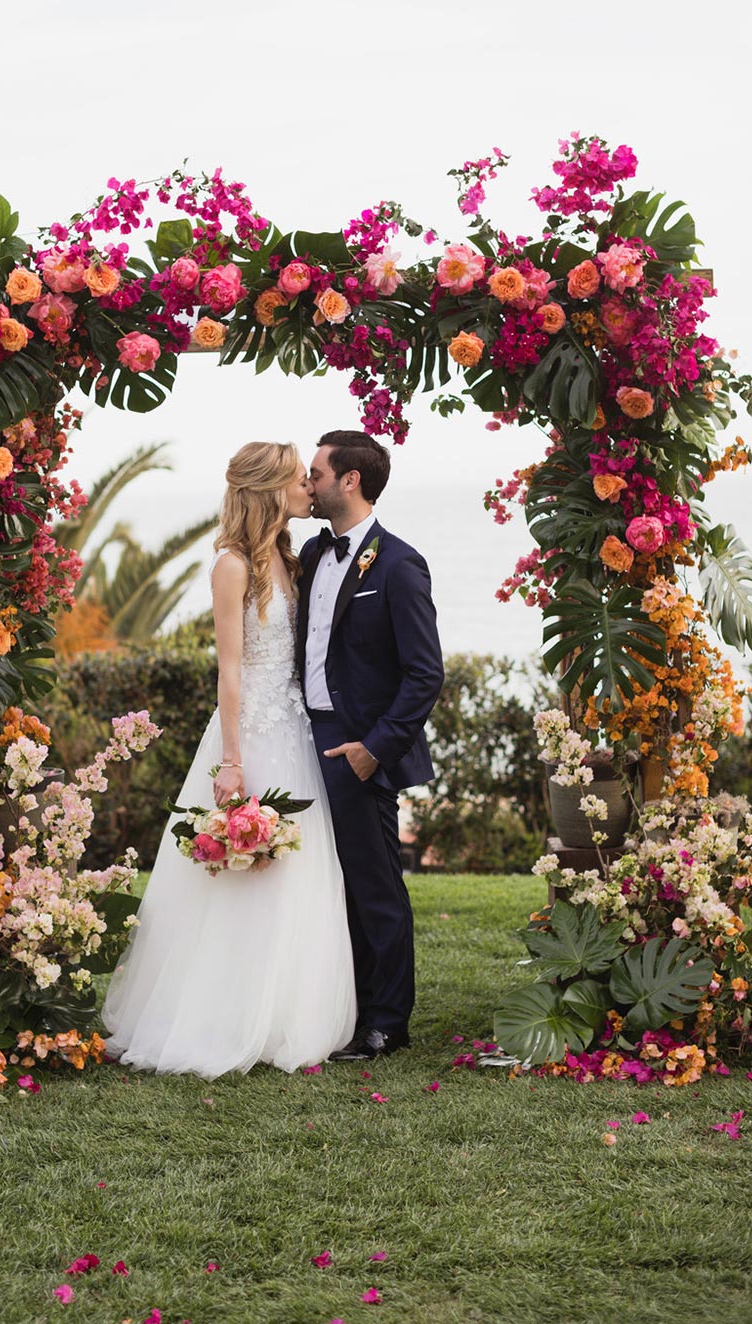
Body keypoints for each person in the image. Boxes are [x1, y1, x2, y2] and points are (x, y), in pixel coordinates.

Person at [104, 442, 357, 1077]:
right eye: (300, 478)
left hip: (295, 727)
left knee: (296, 872)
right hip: (250, 734)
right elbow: (231, 668)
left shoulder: (289, 556)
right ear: (271, 490)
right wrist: (233, 760)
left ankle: (284, 1016)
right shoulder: (233, 564)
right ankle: (221, 1015)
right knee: (243, 874)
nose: (309, 486)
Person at [300, 429, 444, 1061]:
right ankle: (339, 1006)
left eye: (316, 474)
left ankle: (387, 1020)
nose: (309, 485)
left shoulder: (398, 564)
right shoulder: (310, 553)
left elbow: (424, 673)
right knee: (321, 884)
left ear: (348, 480)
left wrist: (373, 748)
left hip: (356, 747)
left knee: (374, 884)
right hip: (299, 736)